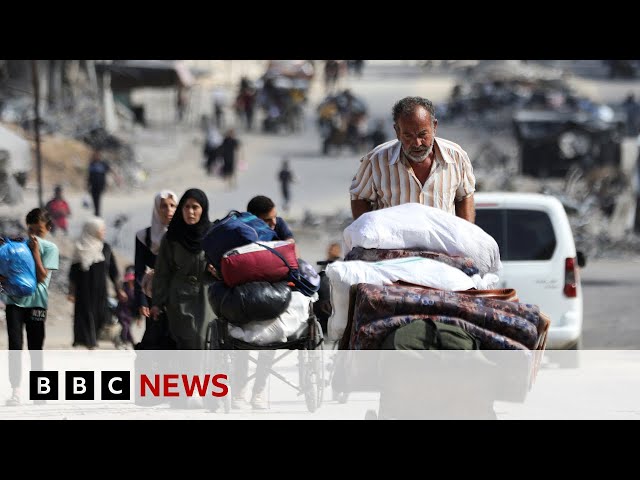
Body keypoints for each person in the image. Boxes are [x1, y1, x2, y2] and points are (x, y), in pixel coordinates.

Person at [349, 96, 476, 223]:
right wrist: (366, 234)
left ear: (434, 127)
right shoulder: (376, 161)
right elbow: (360, 197)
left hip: (441, 243)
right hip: (394, 242)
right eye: (408, 136)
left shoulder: (456, 157)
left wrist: (464, 237)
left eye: (422, 134)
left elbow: (464, 197)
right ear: (397, 132)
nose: (417, 143)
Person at [1, 208, 59, 406]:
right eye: (31, 230)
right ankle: (15, 390)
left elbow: (42, 276)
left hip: (37, 303)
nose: (34, 235)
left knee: (36, 348)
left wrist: (34, 252)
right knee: (15, 347)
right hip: (14, 303)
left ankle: (39, 391)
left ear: (48, 228)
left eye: (39, 230)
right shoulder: (18, 246)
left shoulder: (50, 248)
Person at [151, 188, 215, 350]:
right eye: (186, 207)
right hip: (179, 299)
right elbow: (162, 272)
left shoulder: (213, 235)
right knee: (185, 342)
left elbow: (227, 264)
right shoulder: (172, 237)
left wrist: (218, 270)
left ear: (203, 209)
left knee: (202, 340)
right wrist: (157, 302)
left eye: (195, 207)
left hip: (206, 297)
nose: (190, 212)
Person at [68, 217, 126, 350]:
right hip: (83, 292)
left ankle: (112, 340)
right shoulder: (80, 248)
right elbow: (73, 273)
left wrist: (119, 290)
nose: (103, 232)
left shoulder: (105, 248)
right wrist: (71, 291)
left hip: (100, 291)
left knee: (103, 317)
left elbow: (113, 271)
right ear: (92, 230)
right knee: (85, 315)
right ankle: (88, 343)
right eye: (101, 229)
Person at [134, 189, 178, 350]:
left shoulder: (183, 236)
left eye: (173, 206)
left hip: (178, 293)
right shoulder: (143, 236)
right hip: (153, 293)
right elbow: (139, 270)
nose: (169, 211)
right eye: (164, 206)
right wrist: (142, 299)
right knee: (155, 336)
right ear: (156, 209)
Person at [87, 150, 119, 217]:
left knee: (97, 198)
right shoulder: (91, 164)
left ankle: (97, 213)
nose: (96, 157)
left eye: (97, 155)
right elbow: (89, 175)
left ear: (99, 156)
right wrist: (87, 185)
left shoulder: (103, 164)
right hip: (93, 185)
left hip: (100, 185)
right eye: (94, 155)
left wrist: (116, 177)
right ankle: (96, 212)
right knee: (94, 198)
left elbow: (110, 170)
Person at [114, 265, 138, 349]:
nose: (130, 281)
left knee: (127, 328)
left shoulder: (136, 289)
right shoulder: (123, 288)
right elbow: (117, 293)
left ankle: (129, 342)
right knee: (125, 327)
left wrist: (139, 318)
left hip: (130, 313)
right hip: (121, 311)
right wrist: (120, 293)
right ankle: (125, 342)